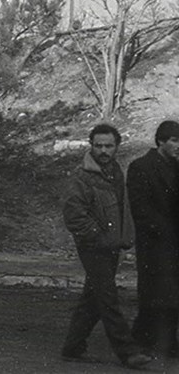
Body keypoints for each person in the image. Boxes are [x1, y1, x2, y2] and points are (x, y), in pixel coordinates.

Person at [60, 123, 152, 369]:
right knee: (108, 297)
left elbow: (123, 208)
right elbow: (74, 215)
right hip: (93, 246)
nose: (103, 150)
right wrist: (97, 237)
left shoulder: (115, 171)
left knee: (94, 296)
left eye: (108, 146)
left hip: (111, 245)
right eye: (98, 145)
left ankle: (72, 346)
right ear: (91, 146)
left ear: (116, 147)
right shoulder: (81, 177)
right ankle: (128, 351)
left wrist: (121, 237)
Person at [128, 120, 179, 358]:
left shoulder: (176, 167)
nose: (178, 146)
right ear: (161, 141)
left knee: (172, 292)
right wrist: (165, 230)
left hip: (174, 242)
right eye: (175, 140)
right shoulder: (141, 167)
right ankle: (146, 337)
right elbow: (140, 208)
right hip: (154, 242)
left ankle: (165, 339)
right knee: (153, 290)